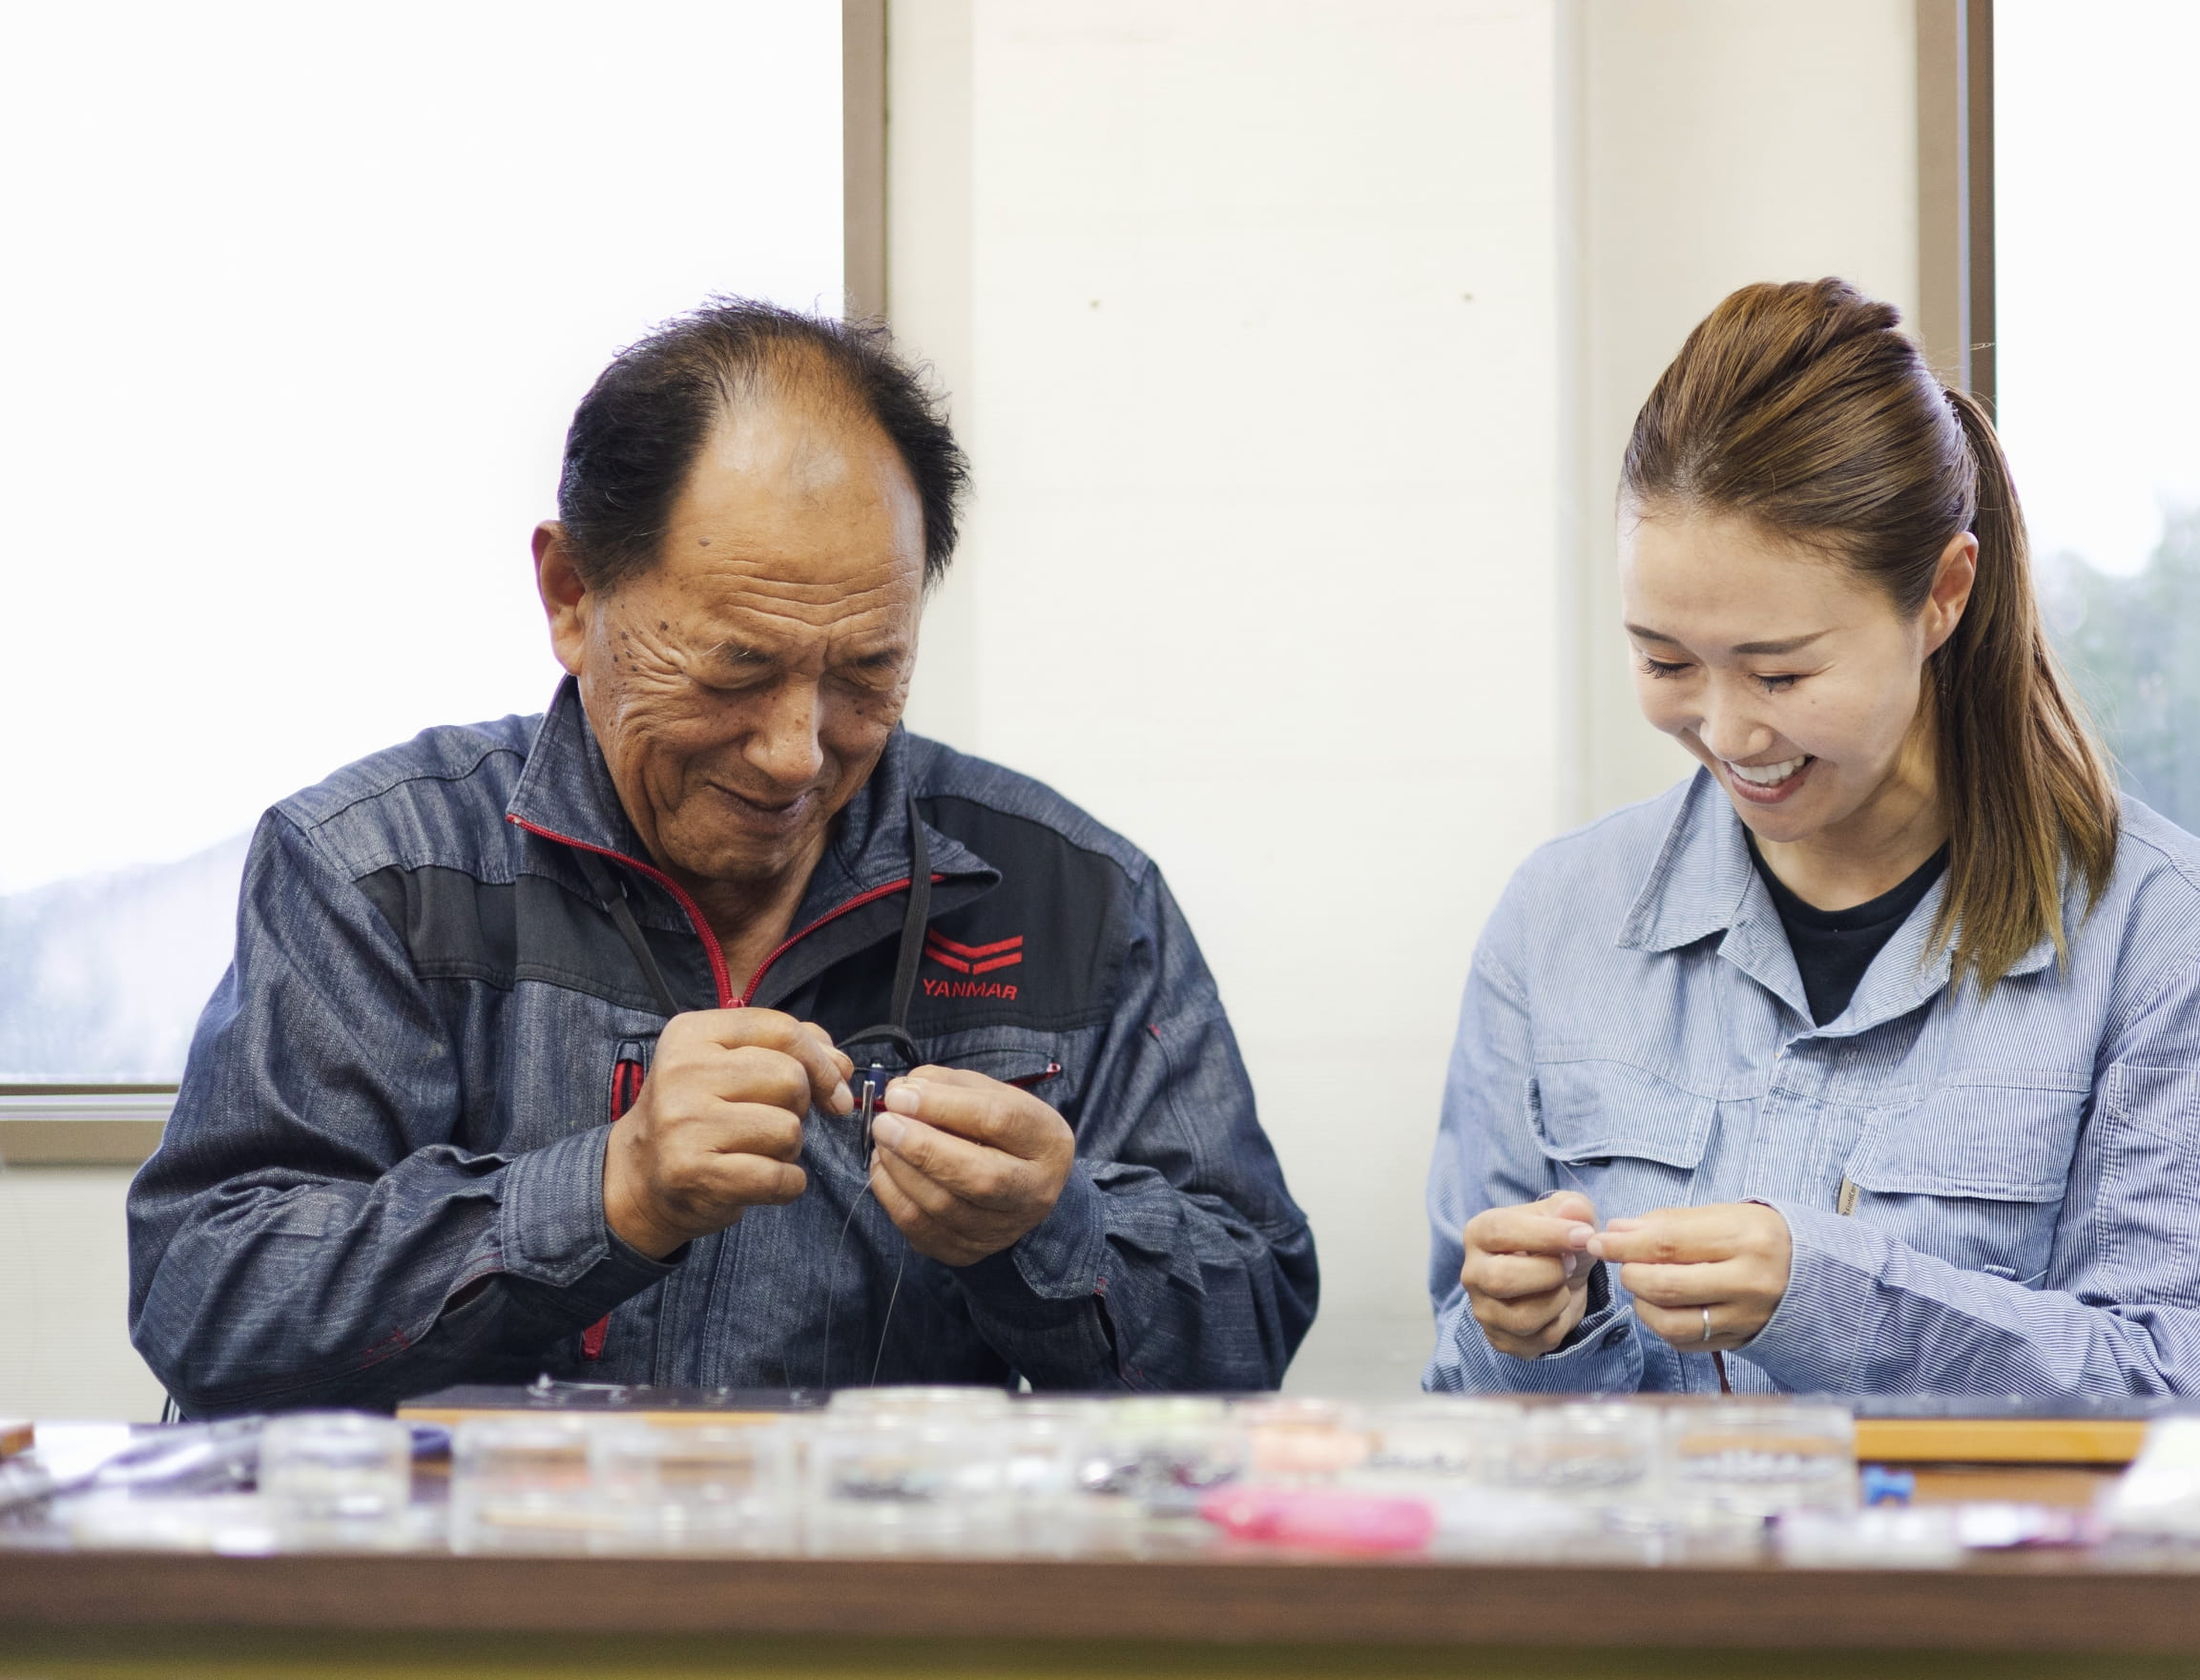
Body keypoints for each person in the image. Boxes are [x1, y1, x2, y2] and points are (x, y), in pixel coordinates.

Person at [130, 302, 1316, 1414]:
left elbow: (1252, 1322)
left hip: (884, 1617)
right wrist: (607, 1194)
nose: (798, 753)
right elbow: (207, 1293)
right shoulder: (378, 872)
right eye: (736, 669)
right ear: (571, 592)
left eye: (866, 676)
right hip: (471, 1617)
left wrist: (1048, 1235)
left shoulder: (1075, 900)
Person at [1425, 280, 2200, 1398]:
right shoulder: (1557, 923)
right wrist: (1532, 1339)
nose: (1729, 729)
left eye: (1782, 672)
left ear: (1942, 594)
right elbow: (1460, 1395)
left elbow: (2184, 1402)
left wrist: (1835, 1300)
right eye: (1664, 662)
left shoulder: (2176, 948)